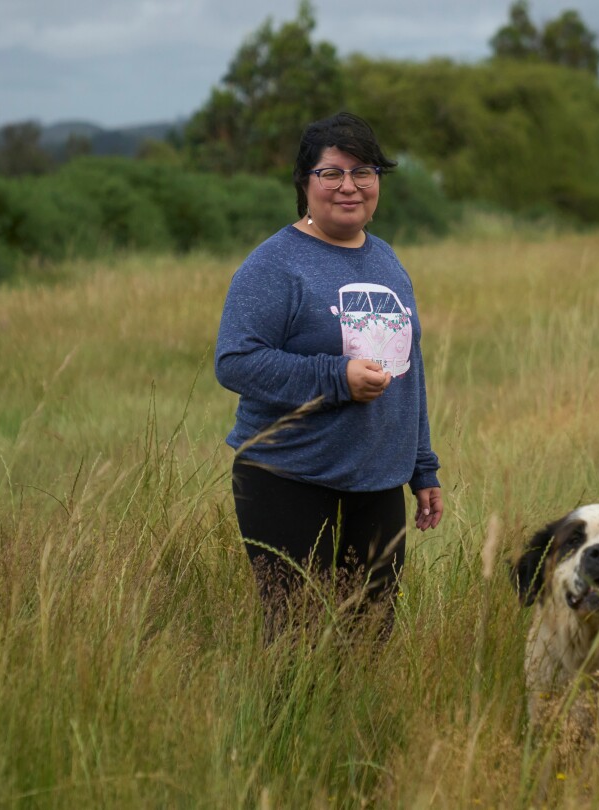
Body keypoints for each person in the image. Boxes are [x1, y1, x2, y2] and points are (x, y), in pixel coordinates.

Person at [214, 112, 445, 642]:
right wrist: (337, 377)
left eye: (363, 172)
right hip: (288, 478)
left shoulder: (386, 260)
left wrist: (422, 466)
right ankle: (284, 729)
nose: (349, 186)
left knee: (369, 637)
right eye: (332, 173)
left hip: (379, 480)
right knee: (297, 641)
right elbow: (235, 361)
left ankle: (351, 728)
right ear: (305, 182)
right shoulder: (274, 265)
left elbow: (409, 370)